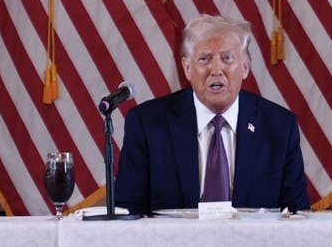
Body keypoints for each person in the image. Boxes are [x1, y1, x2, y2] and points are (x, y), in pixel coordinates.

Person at [113, 15, 309, 215]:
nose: (216, 69)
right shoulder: (147, 124)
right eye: (204, 58)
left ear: (245, 68)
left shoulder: (279, 127)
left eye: (227, 58)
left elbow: (296, 216)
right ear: (188, 69)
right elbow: (128, 213)